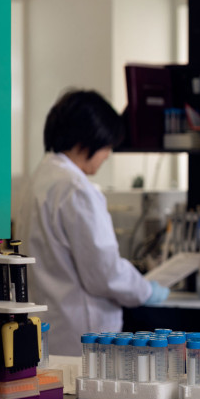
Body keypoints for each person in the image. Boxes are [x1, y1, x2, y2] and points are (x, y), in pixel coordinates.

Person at [15, 89, 169, 356]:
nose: (108, 154)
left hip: (51, 329)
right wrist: (146, 290)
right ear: (87, 140)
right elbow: (105, 273)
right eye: (107, 145)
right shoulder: (76, 189)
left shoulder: (39, 179)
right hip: (81, 334)